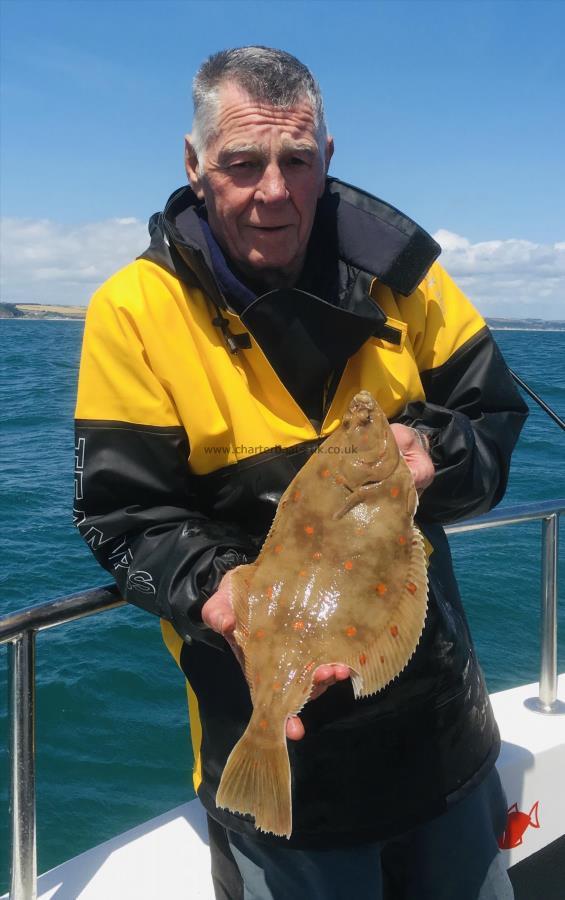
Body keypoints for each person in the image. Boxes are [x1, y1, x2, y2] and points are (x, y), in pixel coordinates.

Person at [74, 46, 528, 899]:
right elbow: (121, 516)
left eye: (296, 160)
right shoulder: (133, 314)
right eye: (241, 163)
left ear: (328, 157)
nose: (272, 191)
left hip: (442, 731)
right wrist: (216, 588)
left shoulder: (408, 278)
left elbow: (495, 423)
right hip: (264, 723)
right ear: (194, 164)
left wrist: (436, 453)